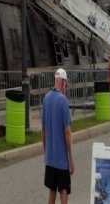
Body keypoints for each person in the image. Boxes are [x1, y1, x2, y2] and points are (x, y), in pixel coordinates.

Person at [42, 67, 74, 204]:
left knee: (52, 192)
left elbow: (43, 130)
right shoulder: (63, 100)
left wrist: (45, 152)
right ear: (63, 82)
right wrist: (70, 160)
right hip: (61, 160)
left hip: (50, 158)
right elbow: (67, 133)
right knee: (64, 191)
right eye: (66, 83)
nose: (66, 86)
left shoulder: (46, 98)